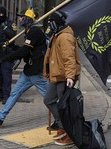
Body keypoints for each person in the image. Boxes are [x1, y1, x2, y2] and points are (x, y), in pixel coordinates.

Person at [0, 9, 48, 126]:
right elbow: (24, 49)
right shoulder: (28, 31)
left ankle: (62, 117)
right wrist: (12, 49)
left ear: (27, 18)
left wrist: (5, 58)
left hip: (35, 72)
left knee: (49, 97)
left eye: (21, 17)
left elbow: (24, 51)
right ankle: (1, 116)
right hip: (28, 71)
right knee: (15, 93)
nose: (19, 19)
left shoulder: (34, 31)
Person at [43, 10, 81, 146]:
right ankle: (62, 126)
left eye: (50, 22)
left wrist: (70, 76)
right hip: (57, 76)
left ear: (55, 22)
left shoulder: (64, 37)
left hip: (64, 77)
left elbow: (69, 58)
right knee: (49, 100)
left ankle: (69, 134)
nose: (48, 25)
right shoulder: (57, 34)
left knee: (64, 107)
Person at [0, 6, 17, 102]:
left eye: (2, 14)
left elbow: (14, 37)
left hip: (7, 53)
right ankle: (1, 93)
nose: (1, 15)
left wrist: (5, 28)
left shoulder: (10, 24)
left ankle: (6, 95)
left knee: (6, 74)